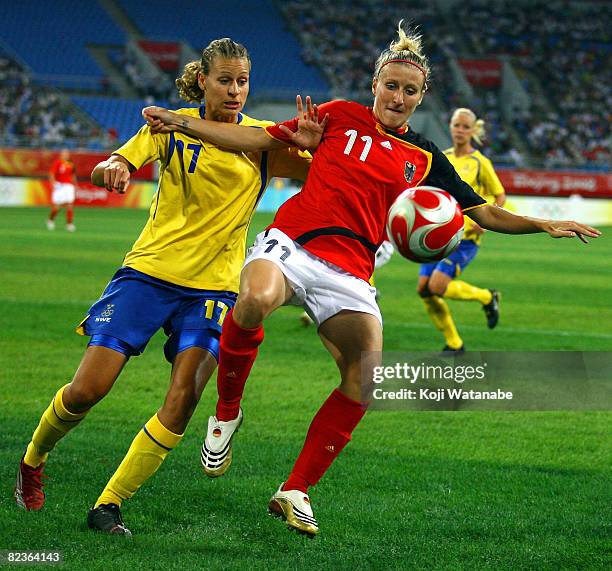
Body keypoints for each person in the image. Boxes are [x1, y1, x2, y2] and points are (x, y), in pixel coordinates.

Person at [142, 22, 600, 537]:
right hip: (294, 243)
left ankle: (295, 489)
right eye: (391, 85)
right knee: (253, 298)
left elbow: (484, 213)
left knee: (367, 378)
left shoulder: (424, 157)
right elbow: (252, 136)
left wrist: (544, 224)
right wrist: (184, 125)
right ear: (375, 83)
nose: (398, 97)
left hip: (352, 271)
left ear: (421, 96)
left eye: (410, 90)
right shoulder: (336, 117)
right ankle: (227, 412)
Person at [14, 38, 310, 536]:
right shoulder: (170, 124)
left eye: (242, 81)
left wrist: (318, 145)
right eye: (225, 80)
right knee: (88, 390)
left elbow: (320, 174)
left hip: (214, 289)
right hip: (149, 274)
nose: (235, 90)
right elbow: (126, 157)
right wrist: (115, 165)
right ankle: (33, 458)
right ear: (203, 80)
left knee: (184, 396)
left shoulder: (262, 140)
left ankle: (108, 505)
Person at [418, 108, 507, 353]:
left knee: (436, 286)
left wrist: (484, 222)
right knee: (424, 290)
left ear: (472, 131)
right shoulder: (442, 157)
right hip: (438, 235)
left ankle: (487, 297)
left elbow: (500, 195)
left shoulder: (480, 163)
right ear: (450, 126)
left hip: (465, 238)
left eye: (465, 127)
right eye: (457, 125)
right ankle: (454, 343)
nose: (460, 130)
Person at [47, 149, 77, 232]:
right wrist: (53, 184)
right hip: (59, 186)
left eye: (67, 154)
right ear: (61, 155)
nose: (66, 155)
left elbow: (73, 175)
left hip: (69, 186)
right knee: (57, 207)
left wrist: (75, 185)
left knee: (70, 205)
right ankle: (50, 220)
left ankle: (69, 224)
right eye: (64, 154)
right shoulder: (57, 163)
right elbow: (51, 174)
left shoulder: (71, 164)